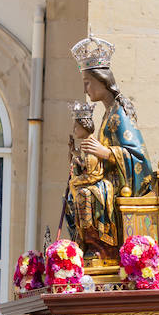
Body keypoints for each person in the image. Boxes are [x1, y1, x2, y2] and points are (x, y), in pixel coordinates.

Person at [71, 34, 156, 266]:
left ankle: (103, 247)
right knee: (76, 190)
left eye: (88, 82)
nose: (85, 89)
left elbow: (140, 160)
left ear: (101, 80)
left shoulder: (119, 114)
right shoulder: (108, 114)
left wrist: (105, 153)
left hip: (127, 188)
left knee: (86, 195)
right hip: (110, 183)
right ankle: (88, 244)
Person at [62, 101, 114, 263]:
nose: (74, 130)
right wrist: (74, 155)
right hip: (90, 184)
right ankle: (80, 237)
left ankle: (93, 239)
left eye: (76, 127)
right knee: (71, 198)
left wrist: (75, 181)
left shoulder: (91, 146)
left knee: (83, 195)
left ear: (84, 127)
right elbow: (84, 165)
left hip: (97, 187)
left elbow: (92, 175)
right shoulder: (85, 146)